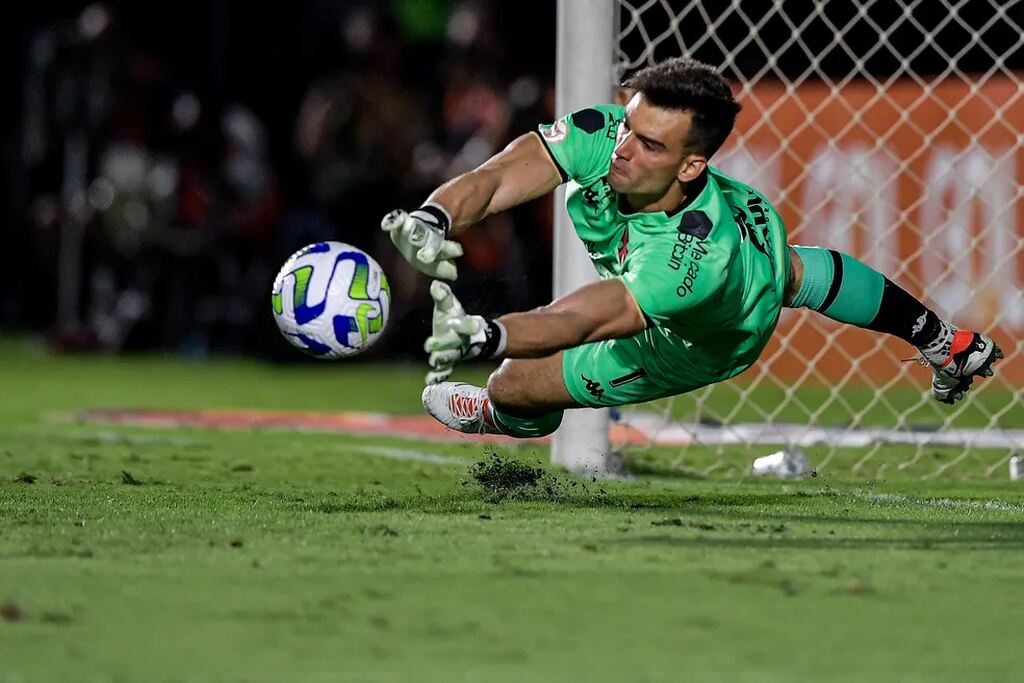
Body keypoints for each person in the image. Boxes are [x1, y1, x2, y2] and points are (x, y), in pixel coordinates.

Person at [380, 57, 1002, 439]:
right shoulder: (610, 137)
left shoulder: (688, 264)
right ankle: (942, 339)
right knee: (796, 273)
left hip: (703, 336)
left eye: (651, 146)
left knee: (517, 383)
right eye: (630, 126)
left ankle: (507, 414)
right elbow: (501, 174)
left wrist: (489, 335)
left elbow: (584, 320)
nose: (623, 148)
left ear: (690, 165)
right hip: (750, 238)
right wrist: (435, 216)